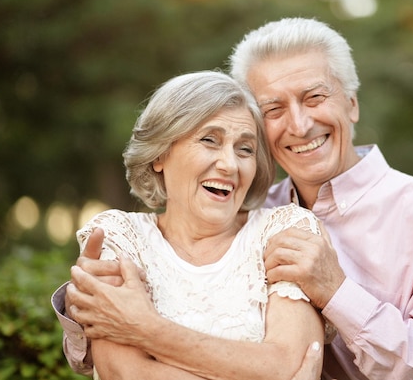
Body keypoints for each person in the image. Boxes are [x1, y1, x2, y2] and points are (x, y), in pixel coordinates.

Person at [58, 17, 413, 380]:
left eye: (315, 97)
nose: (299, 125)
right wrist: (90, 313)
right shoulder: (250, 217)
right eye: (274, 110)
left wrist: (337, 293)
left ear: (352, 104)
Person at [62, 70, 325, 380]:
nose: (229, 164)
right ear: (160, 153)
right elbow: (124, 372)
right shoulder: (118, 236)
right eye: (209, 141)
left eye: (245, 149)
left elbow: (286, 365)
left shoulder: (286, 229)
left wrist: (145, 328)